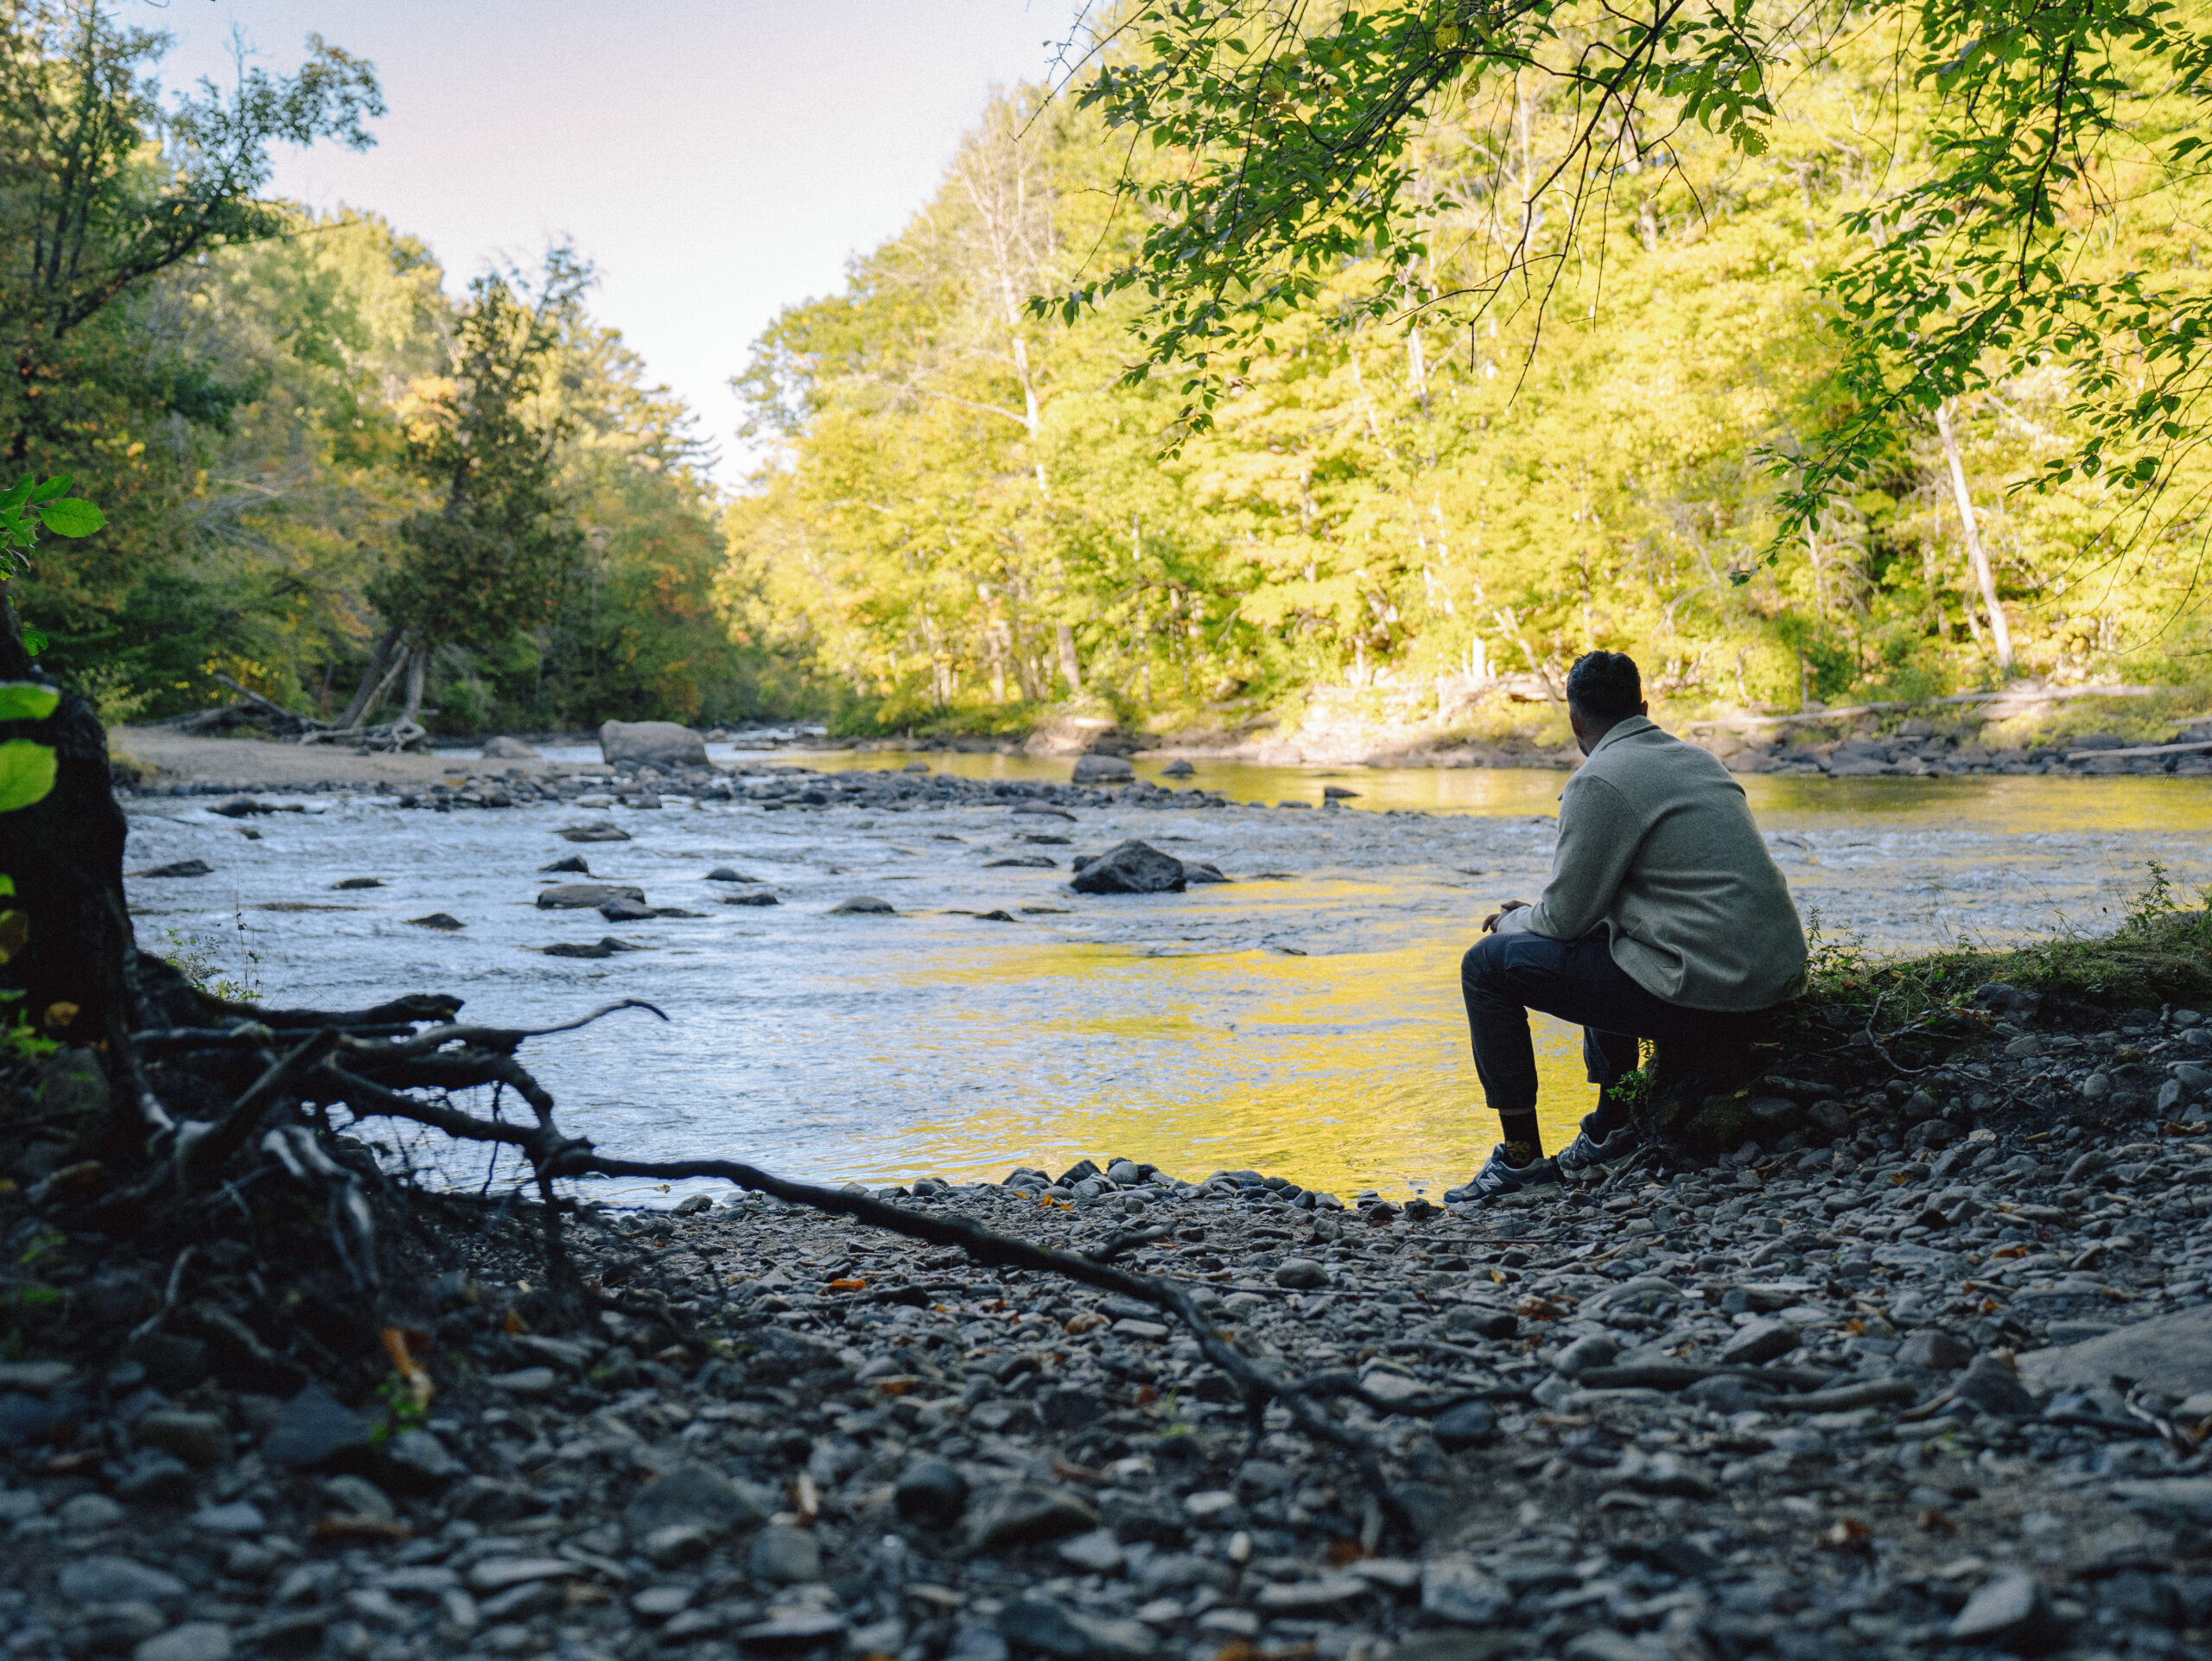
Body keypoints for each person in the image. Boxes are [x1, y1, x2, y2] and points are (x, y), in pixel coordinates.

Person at [1446, 650, 1807, 1202]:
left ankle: (1521, 1161)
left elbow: (1564, 919)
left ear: (1575, 721)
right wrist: (1537, 918)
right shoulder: (1699, 761)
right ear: (1644, 708)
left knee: (1484, 967)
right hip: (1771, 979)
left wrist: (1514, 922)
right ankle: (1612, 1126)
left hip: (1706, 990)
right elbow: (1596, 906)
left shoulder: (1598, 779)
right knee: (1599, 936)